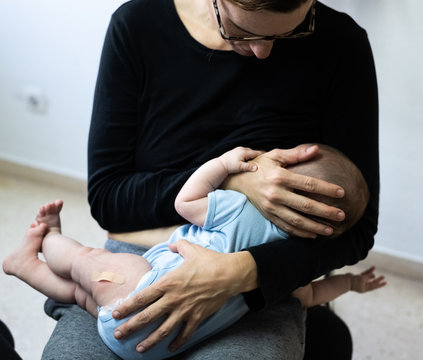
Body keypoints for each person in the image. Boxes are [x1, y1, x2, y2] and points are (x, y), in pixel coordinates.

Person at [43, 0, 379, 358]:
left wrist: (241, 271)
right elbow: (111, 200)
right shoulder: (138, 24)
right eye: (242, 30)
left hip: (261, 278)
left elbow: (356, 230)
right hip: (140, 261)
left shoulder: (341, 43)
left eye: (290, 32)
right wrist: (235, 182)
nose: (263, 51)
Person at [4, 146, 385, 359]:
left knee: (85, 261)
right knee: (81, 293)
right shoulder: (289, 265)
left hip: (139, 293)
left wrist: (222, 165)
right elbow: (312, 296)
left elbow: (186, 203)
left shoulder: (240, 208)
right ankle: (24, 265)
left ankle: (49, 242)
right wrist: (350, 283)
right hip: (159, 344)